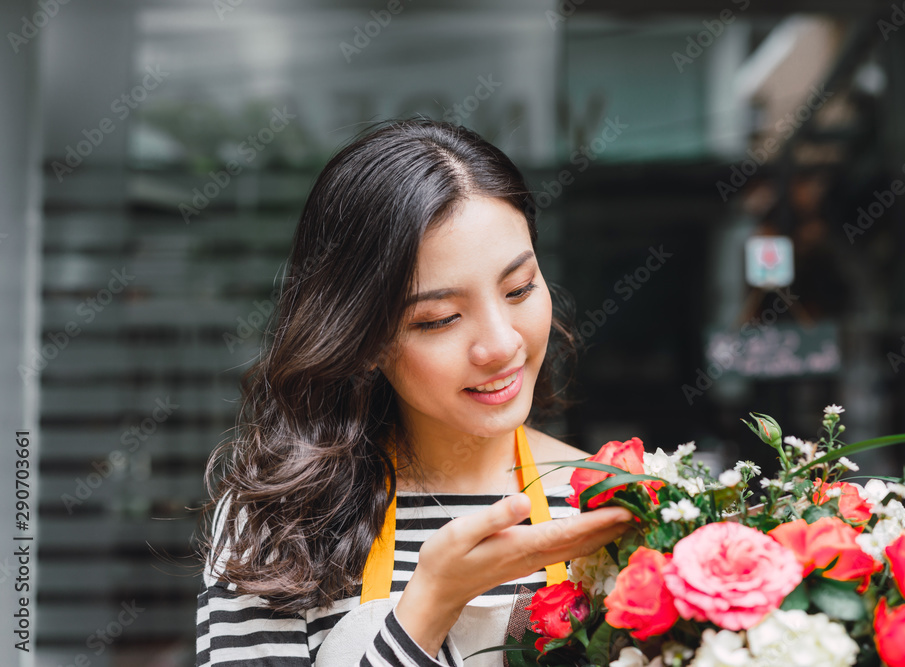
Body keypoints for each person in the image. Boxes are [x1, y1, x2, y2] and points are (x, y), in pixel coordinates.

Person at [194, 118, 634, 667]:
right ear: (365, 337)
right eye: (441, 319)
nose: (500, 344)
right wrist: (431, 604)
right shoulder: (279, 524)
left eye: (519, 288)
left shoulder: (621, 504)